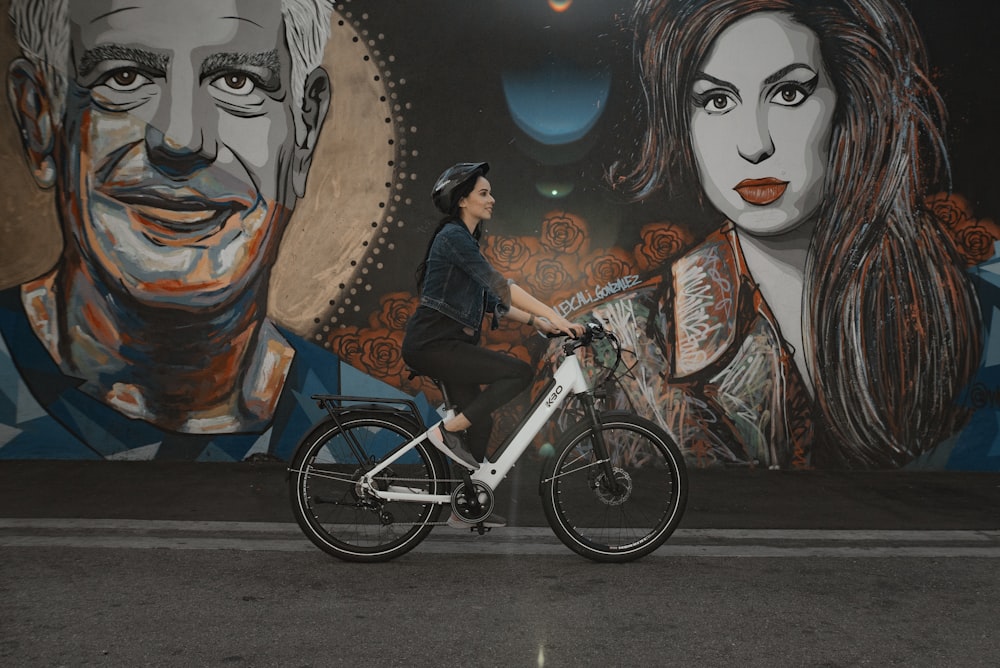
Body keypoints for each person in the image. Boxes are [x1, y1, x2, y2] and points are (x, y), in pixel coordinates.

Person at [608, 0, 982, 468]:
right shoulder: (614, 349)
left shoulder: (959, 306)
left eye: (788, 94)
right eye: (717, 101)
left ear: (850, 105)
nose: (754, 144)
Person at [1, 0, 335, 458]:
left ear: (304, 135)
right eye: (125, 78)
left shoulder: (368, 428)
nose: (181, 139)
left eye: (237, 81)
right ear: (40, 120)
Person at [402, 162, 584, 526]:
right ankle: (445, 432)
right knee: (516, 373)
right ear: (462, 200)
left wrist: (540, 324)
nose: (492, 199)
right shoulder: (453, 236)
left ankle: (463, 509)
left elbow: (489, 301)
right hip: (434, 344)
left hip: (445, 343)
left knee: (479, 422)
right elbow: (501, 285)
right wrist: (556, 315)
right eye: (483, 193)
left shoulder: (463, 242)